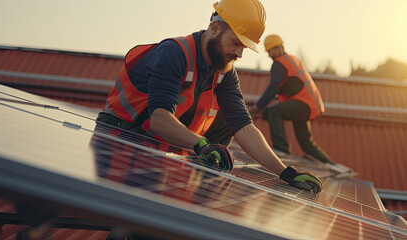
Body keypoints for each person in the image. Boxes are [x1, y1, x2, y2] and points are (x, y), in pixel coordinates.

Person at [97, 0, 323, 193]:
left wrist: (286, 172)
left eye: (244, 47)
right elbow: (159, 118)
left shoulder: (224, 72)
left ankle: (200, 182)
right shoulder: (174, 53)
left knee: (229, 119)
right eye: (236, 42)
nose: (239, 53)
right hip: (120, 134)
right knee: (139, 222)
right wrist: (201, 144)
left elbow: (244, 126)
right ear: (215, 28)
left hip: (156, 141)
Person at [248, 34, 334, 165]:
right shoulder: (291, 59)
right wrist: (262, 109)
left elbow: (273, 89)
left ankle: (281, 149)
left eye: (270, 51)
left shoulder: (278, 64)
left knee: (274, 112)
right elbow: (285, 89)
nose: (269, 55)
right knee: (306, 143)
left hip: (303, 104)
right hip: (308, 104)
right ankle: (331, 164)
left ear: (278, 48)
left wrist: (256, 107)